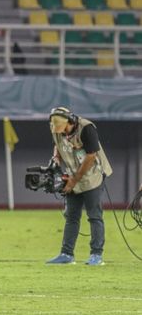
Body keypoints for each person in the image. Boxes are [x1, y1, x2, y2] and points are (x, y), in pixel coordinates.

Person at [47, 107, 113, 266]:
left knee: (94, 216)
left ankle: (96, 255)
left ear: (68, 122)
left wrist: (73, 180)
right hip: (73, 175)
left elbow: (91, 156)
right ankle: (66, 254)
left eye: (60, 127)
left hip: (93, 176)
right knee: (71, 217)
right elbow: (57, 144)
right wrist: (56, 158)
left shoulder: (87, 129)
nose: (57, 131)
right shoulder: (56, 129)